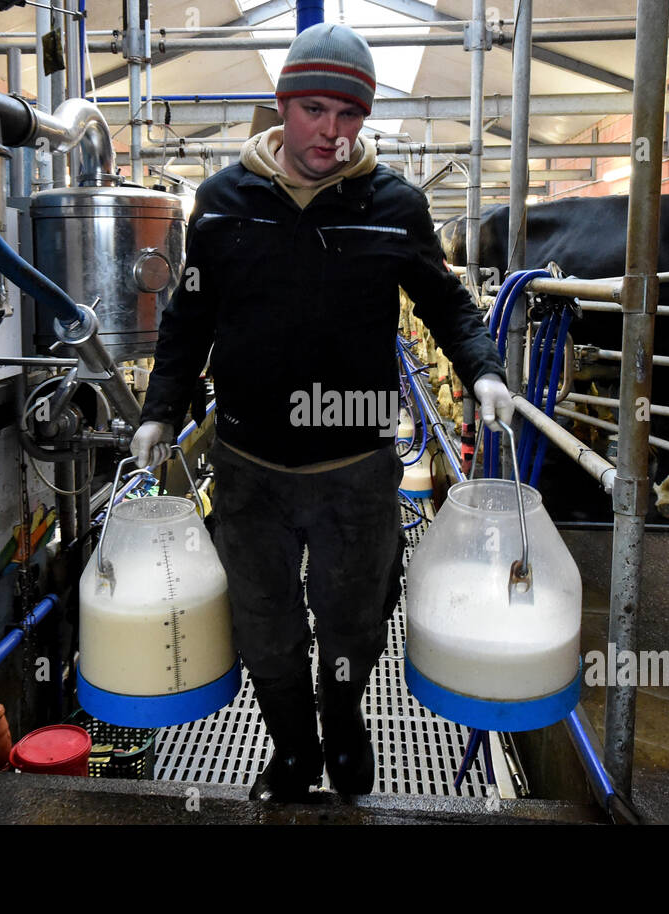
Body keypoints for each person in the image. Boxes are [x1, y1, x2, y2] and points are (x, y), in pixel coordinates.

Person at [132, 22, 513, 802]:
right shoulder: (223, 202)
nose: (331, 134)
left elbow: (446, 304)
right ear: (282, 106)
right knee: (266, 630)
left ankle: (344, 728)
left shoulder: (394, 207)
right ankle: (294, 750)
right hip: (249, 468)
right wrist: (159, 410)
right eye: (313, 111)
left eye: (349, 117)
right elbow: (188, 318)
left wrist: (483, 371)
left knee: (353, 624)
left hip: (355, 473)